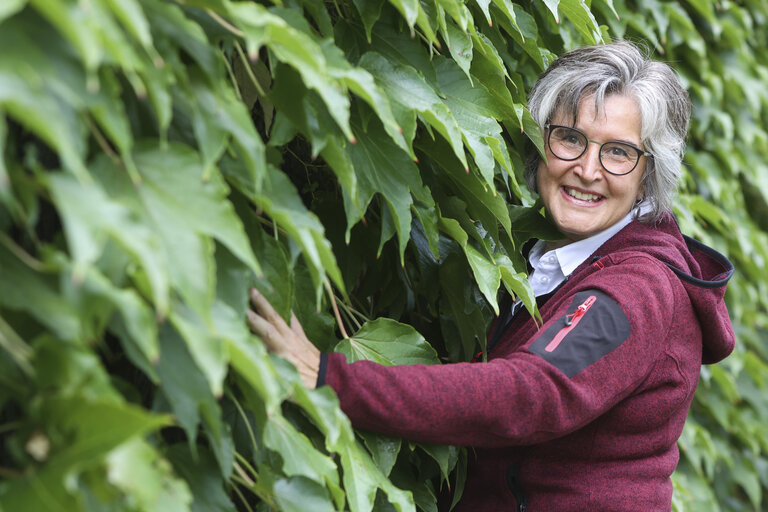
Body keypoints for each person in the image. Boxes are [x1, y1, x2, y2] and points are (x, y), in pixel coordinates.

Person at [247, 41, 735, 511]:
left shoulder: (636, 290)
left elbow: (530, 394)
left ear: (649, 174)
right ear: (539, 143)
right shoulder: (559, 259)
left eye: (618, 152)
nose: (587, 169)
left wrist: (331, 378)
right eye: (569, 137)